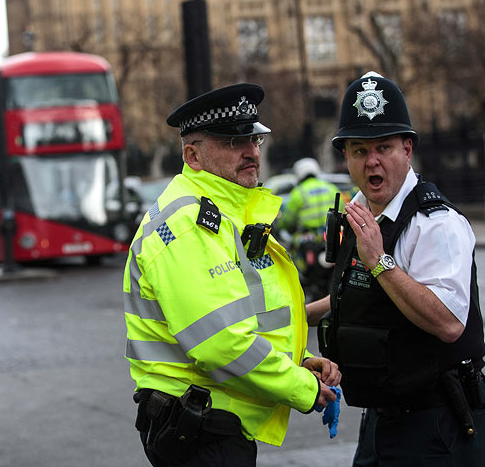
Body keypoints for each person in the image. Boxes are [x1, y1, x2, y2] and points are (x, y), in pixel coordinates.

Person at [123, 83, 341, 467]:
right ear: (192, 155)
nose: (251, 152)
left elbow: (247, 318)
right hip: (200, 430)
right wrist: (301, 387)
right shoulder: (190, 224)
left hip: (211, 424)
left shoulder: (222, 213)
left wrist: (297, 359)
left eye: (254, 138)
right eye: (232, 141)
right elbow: (222, 343)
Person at [308, 71, 485, 465]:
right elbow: (356, 294)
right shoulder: (362, 211)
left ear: (407, 149)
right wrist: (295, 315)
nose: (372, 161)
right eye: (359, 150)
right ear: (346, 157)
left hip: (437, 424)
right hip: (381, 419)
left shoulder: (436, 224)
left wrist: (380, 262)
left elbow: (449, 322)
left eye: (383, 147)